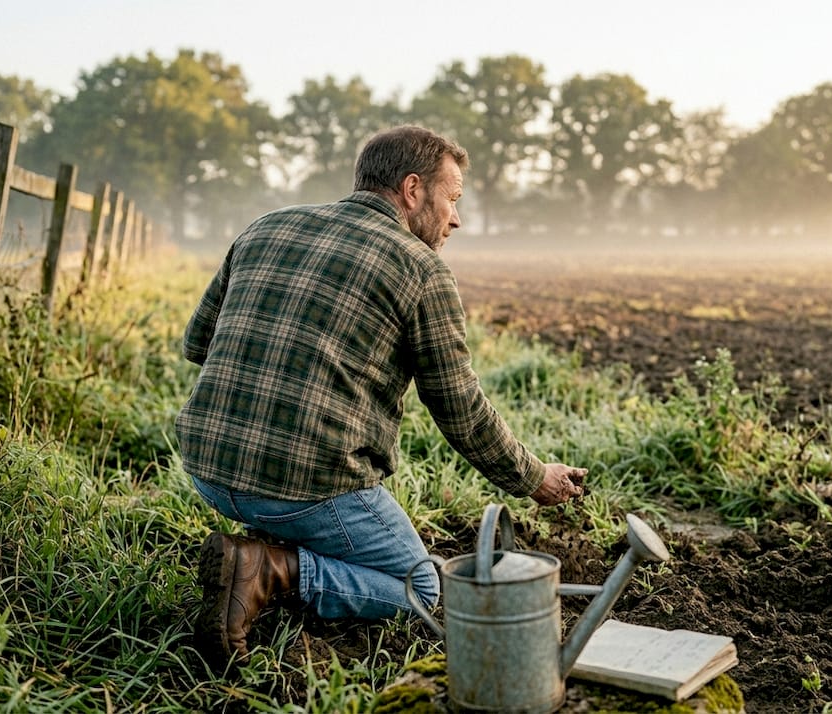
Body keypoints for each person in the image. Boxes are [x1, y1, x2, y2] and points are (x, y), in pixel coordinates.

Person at [176, 125, 587, 667]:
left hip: (208, 467)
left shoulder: (265, 226)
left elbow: (197, 343)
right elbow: (459, 408)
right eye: (453, 199)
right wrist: (534, 477)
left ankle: (267, 546)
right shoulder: (421, 268)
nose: (456, 218)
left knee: (331, 523)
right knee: (423, 590)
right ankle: (270, 569)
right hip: (304, 488)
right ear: (413, 190)